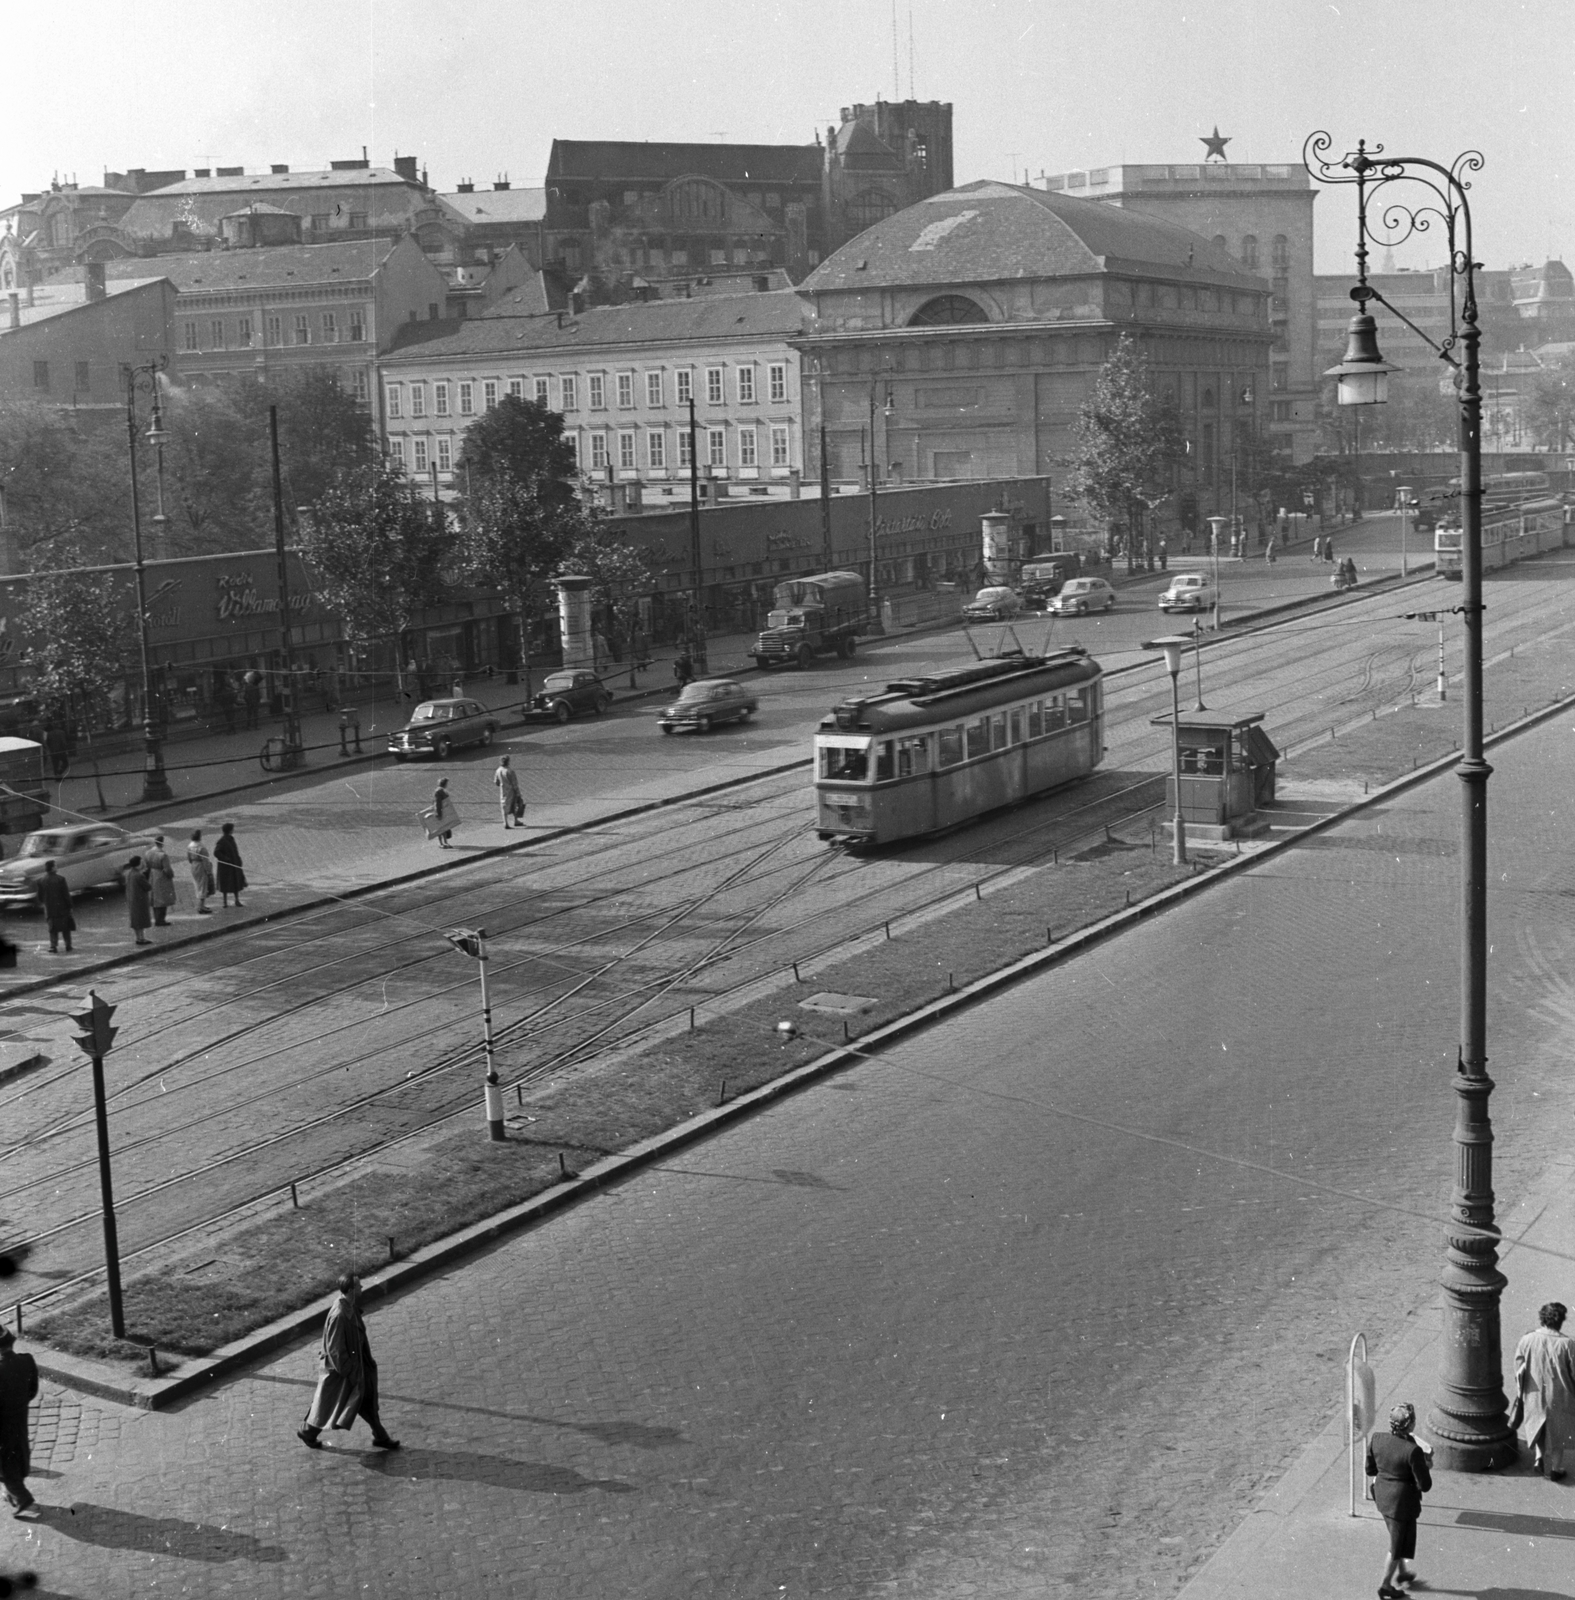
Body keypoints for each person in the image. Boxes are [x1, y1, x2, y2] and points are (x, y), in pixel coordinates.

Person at [298, 1273, 400, 1452]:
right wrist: (352, 1373)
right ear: (351, 1290)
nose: (362, 1288)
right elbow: (336, 1351)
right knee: (330, 1405)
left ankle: (380, 1436)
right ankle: (308, 1432)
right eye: (359, 1286)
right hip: (343, 1373)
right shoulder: (340, 1315)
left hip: (357, 1368)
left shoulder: (348, 1307)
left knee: (364, 1401)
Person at [1366, 1401, 1432, 1597]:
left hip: (1382, 1497)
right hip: (1401, 1505)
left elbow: (1370, 1469)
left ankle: (1402, 1573)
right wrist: (1426, 1465)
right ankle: (1385, 1586)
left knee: (1398, 1537)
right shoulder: (1413, 1451)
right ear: (1410, 1425)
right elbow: (1425, 1485)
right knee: (1397, 1546)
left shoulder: (1377, 1438)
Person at [1514, 1301, 1575, 1478]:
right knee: (1558, 1432)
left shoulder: (1528, 1339)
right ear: (1561, 1320)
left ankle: (1539, 1458)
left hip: (1534, 1392)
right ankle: (1556, 1468)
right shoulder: (1567, 1344)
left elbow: (1518, 1365)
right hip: (1560, 1394)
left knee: (1538, 1424)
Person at [0, 1326, 39, 1519]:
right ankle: (11, 1493)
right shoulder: (27, 1360)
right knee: (18, 1449)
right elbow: (32, 1390)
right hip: (19, 1415)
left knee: (5, 1463)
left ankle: (22, 1496)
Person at [36, 860, 73, 953]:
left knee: (52, 928)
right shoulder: (61, 879)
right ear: (52, 868)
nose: (57, 868)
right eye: (55, 866)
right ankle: (68, 945)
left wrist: (46, 902)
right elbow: (66, 895)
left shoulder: (41, 881)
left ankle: (53, 946)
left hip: (49, 909)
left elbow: (40, 897)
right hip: (62, 908)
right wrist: (70, 906)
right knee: (66, 927)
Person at [145, 833, 177, 925]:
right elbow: (167, 869)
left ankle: (156, 918)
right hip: (161, 876)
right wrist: (171, 875)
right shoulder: (163, 855)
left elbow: (146, 865)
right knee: (163, 898)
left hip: (152, 875)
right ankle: (161, 920)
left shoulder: (148, 852)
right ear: (162, 843)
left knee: (155, 898)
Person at [214, 822, 246, 908]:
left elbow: (235, 850)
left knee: (235, 882)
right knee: (225, 884)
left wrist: (238, 860)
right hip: (226, 867)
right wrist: (226, 859)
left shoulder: (231, 839)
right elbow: (216, 852)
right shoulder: (222, 841)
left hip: (234, 864)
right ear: (229, 830)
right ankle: (225, 902)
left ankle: (237, 900)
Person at [123, 855, 153, 946]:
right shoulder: (139, 875)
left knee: (135, 920)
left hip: (131, 898)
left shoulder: (129, 873)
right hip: (140, 900)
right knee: (141, 919)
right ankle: (141, 938)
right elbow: (148, 887)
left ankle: (138, 937)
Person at [187, 830, 214, 914]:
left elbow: (189, 858)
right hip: (201, 866)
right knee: (203, 886)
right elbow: (205, 860)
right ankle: (201, 906)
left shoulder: (190, 846)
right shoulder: (201, 847)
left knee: (197, 885)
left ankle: (201, 905)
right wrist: (209, 871)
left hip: (194, 866)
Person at [494, 754, 524, 829]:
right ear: (508, 762)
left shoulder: (498, 770)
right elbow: (514, 784)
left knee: (503, 806)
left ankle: (505, 822)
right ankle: (516, 820)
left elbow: (496, 782)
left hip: (503, 791)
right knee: (514, 805)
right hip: (511, 791)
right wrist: (518, 793)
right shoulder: (510, 771)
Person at [426, 777, 456, 848]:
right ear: (444, 784)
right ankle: (442, 843)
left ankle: (444, 843)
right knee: (440, 829)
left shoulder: (441, 791)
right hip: (440, 812)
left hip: (442, 812)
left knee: (443, 828)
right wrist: (438, 813)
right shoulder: (439, 792)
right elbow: (438, 803)